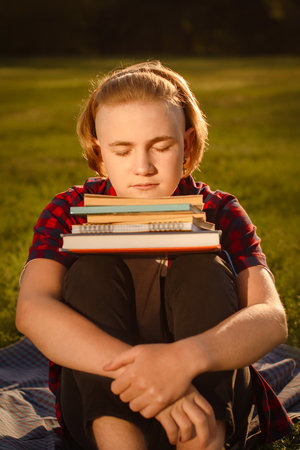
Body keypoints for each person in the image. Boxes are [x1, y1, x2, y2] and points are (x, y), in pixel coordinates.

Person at [16, 61, 291, 450]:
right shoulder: (69, 208)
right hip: (102, 403)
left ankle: (203, 439)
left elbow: (271, 317)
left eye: (161, 147)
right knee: (90, 270)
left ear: (188, 145)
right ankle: (120, 442)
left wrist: (183, 360)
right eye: (122, 150)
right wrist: (146, 374)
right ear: (99, 151)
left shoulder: (219, 209)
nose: (143, 167)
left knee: (203, 267)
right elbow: (32, 308)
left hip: (209, 396)